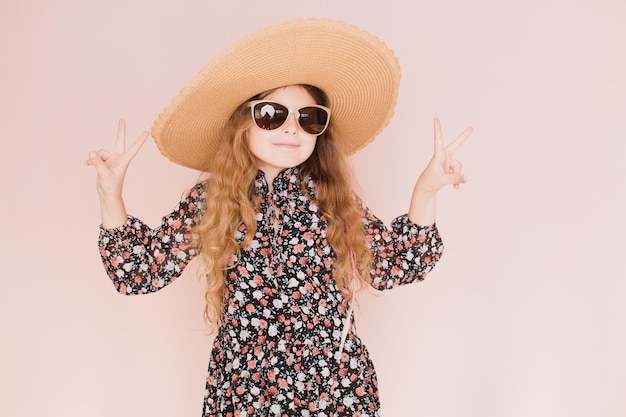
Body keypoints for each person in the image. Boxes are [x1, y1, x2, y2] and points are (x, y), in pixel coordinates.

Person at [85, 19, 471, 417]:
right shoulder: (213, 199)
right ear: (243, 123)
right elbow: (139, 271)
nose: (291, 128)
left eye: (309, 117)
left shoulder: (332, 198)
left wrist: (425, 190)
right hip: (246, 391)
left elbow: (393, 264)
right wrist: (109, 193)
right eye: (272, 114)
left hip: (332, 390)